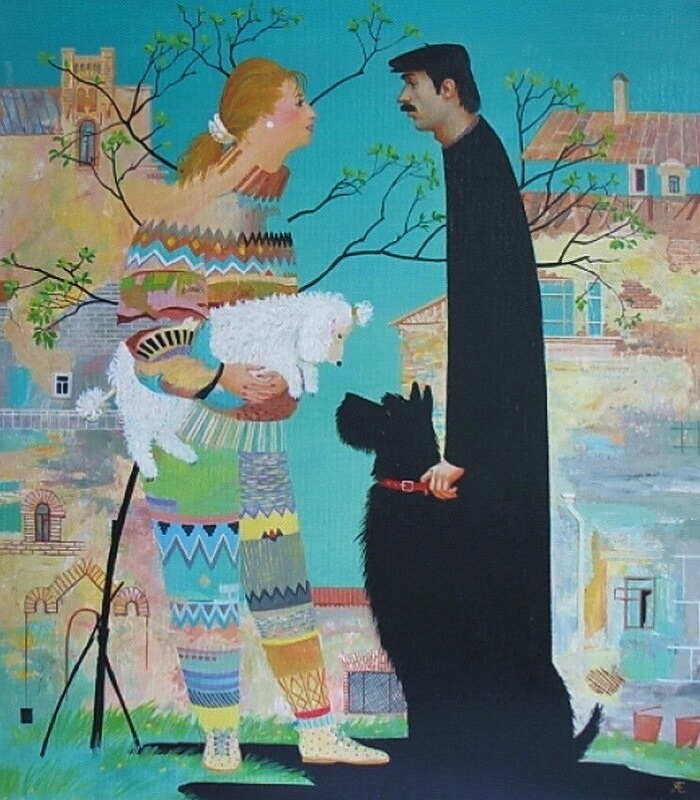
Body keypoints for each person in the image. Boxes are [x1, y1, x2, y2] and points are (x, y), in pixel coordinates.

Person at [117, 57, 388, 773]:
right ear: (261, 117)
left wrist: (285, 383)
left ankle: (317, 730)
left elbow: (268, 332)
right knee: (203, 590)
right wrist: (217, 377)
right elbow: (147, 335)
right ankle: (221, 737)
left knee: (282, 585)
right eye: (299, 101)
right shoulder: (186, 214)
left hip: (258, 438)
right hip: (190, 440)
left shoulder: (268, 225)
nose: (312, 113)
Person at [388, 44, 581, 788]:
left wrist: (463, 452)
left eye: (411, 86)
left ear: (447, 88)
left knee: (493, 581)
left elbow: (493, 326)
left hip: (497, 445)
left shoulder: (479, 166)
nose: (403, 99)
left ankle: (507, 751)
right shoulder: (468, 157)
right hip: (497, 440)